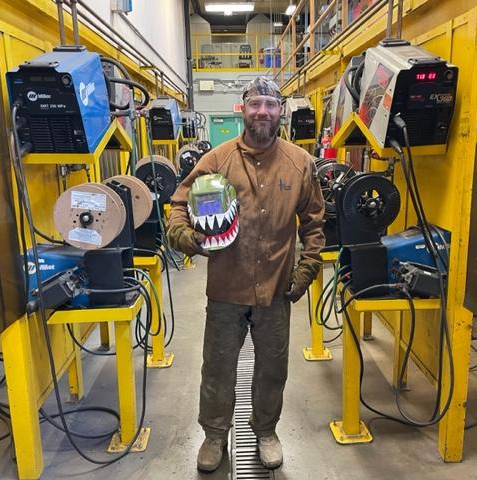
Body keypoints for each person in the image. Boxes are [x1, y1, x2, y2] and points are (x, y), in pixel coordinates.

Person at [167, 76, 325, 472]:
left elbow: (315, 224)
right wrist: (189, 238)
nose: (262, 112)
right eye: (255, 104)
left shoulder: (300, 162)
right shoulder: (215, 160)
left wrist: (305, 269)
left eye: (270, 105)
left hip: (276, 287)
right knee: (218, 366)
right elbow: (178, 207)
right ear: (243, 109)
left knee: (272, 367)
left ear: (280, 111)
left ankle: (265, 431)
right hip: (226, 286)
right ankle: (215, 435)